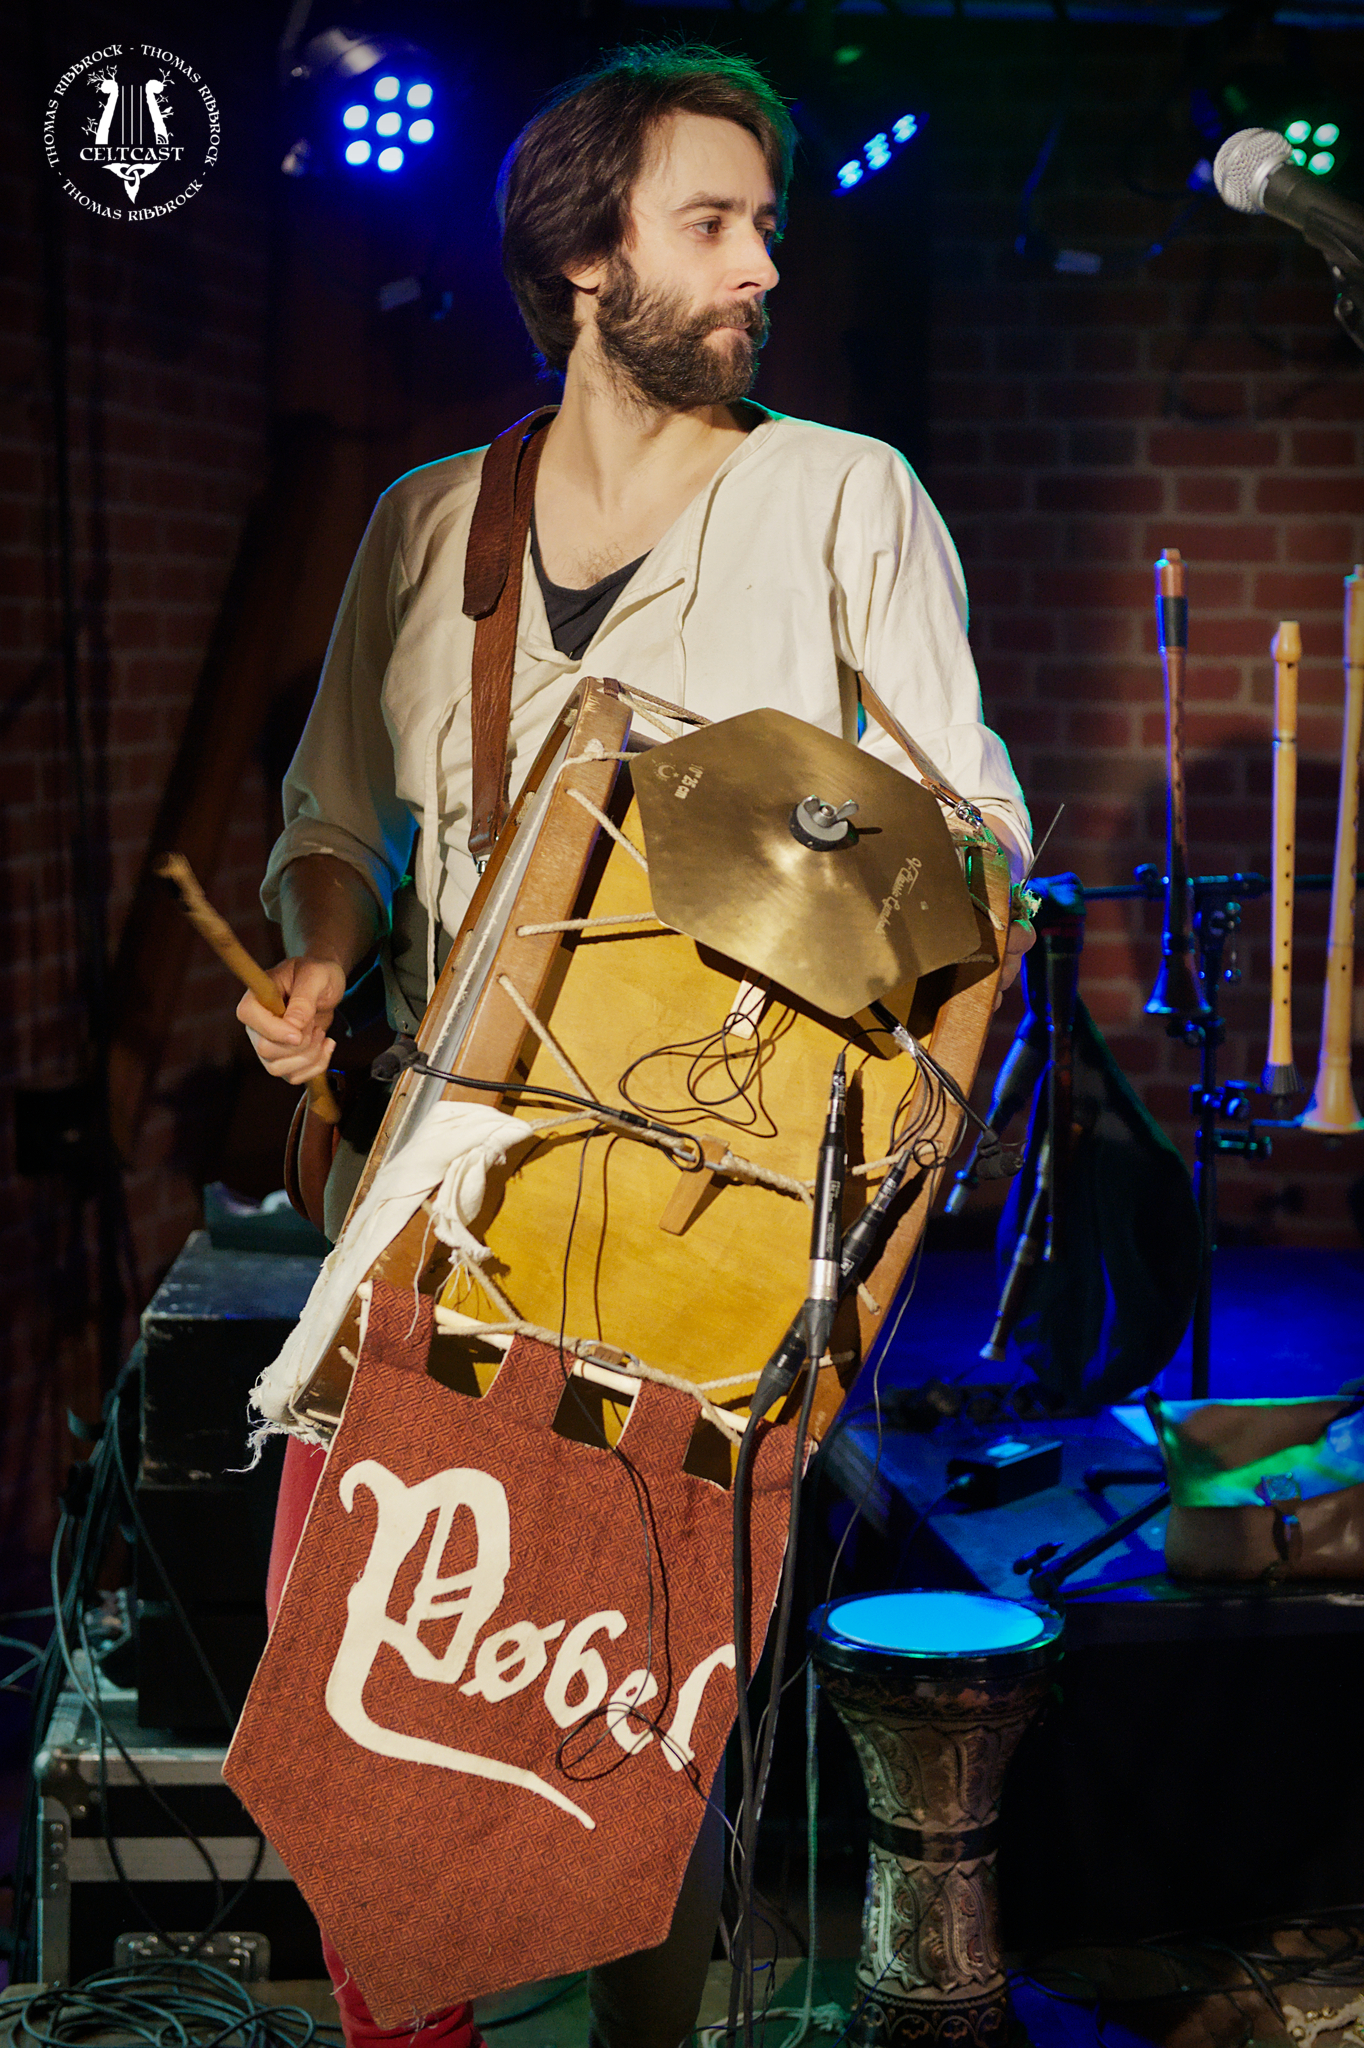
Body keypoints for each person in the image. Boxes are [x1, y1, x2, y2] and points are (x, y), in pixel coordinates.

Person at [239, 42, 1034, 2048]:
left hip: (701, 1218)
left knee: (629, 1733)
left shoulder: (843, 500)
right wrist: (318, 961)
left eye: (767, 222)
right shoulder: (428, 527)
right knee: (354, 1691)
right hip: (440, 1203)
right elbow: (334, 824)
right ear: (590, 255)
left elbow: (978, 855)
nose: (762, 262)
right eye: (711, 223)